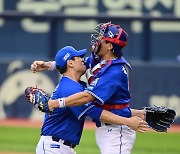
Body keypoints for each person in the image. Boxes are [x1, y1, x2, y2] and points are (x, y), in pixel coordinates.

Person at [31, 22, 147, 154]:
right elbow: (95, 110)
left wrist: (55, 103)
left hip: (111, 132)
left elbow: (90, 99)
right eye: (78, 57)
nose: (96, 41)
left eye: (101, 39)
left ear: (109, 46)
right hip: (56, 147)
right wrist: (49, 65)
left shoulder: (110, 72)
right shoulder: (79, 79)